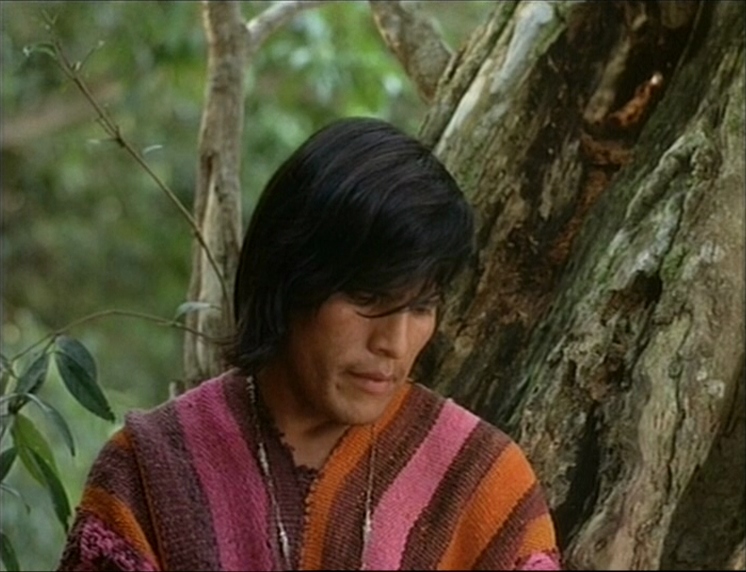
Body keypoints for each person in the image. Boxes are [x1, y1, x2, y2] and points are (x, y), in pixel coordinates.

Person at [57, 117, 561, 571]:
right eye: (367, 298)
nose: (394, 342)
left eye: (421, 307)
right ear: (291, 279)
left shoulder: (479, 484)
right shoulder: (149, 474)